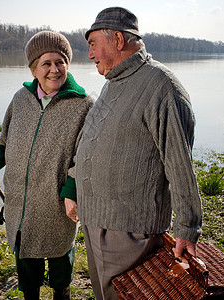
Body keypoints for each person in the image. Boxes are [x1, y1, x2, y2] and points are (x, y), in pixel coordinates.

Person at [75, 7, 203, 299]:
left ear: (118, 40)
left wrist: (187, 226)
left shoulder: (162, 87)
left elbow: (179, 163)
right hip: (96, 223)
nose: (90, 54)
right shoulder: (114, 83)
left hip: (129, 233)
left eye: (93, 45)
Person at [0, 31, 94, 300]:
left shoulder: (84, 104)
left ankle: (61, 294)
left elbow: (85, 158)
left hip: (58, 204)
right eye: (46, 63)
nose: (54, 69)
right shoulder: (20, 99)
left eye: (60, 62)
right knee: (26, 264)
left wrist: (72, 192)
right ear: (33, 68)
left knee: (61, 261)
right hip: (20, 203)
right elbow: (4, 140)